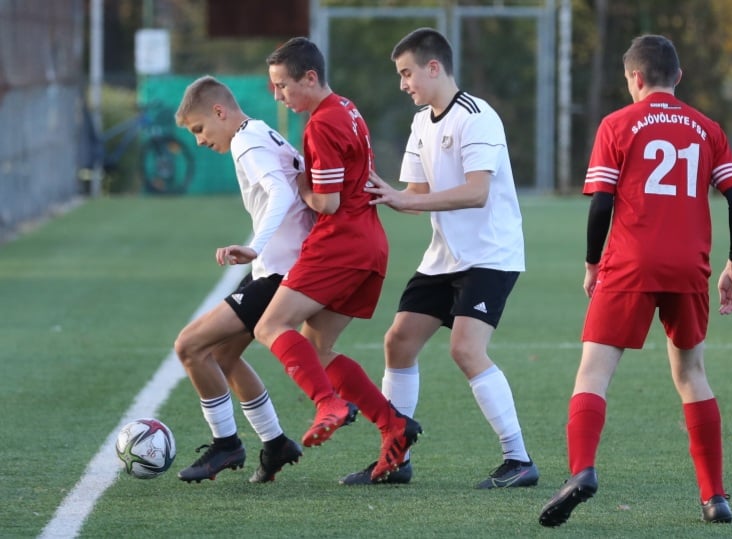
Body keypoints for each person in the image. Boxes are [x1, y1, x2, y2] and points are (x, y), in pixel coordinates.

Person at [538, 34, 732, 527]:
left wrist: (592, 263)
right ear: (678, 77)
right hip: (689, 267)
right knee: (691, 375)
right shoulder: (707, 128)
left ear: (635, 78)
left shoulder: (617, 124)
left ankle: (581, 471)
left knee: (594, 372)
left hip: (631, 264)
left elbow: (601, 203)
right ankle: (714, 497)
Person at [340, 27, 538, 489]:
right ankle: (396, 457)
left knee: (465, 349)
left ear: (434, 67)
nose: (403, 83)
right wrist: (376, 191)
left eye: (407, 73)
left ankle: (519, 459)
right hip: (444, 256)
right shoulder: (421, 123)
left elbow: (476, 191)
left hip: (490, 254)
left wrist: (406, 199)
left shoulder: (477, 117)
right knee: (398, 342)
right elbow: (415, 194)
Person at [253, 36, 422, 483]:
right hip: (371, 244)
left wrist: (300, 187)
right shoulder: (347, 107)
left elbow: (326, 203)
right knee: (317, 349)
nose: (279, 96)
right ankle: (394, 425)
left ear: (309, 78)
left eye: (282, 86)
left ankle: (328, 402)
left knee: (269, 326)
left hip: (340, 243)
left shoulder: (321, 124)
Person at [172, 75, 315, 483]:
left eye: (199, 128)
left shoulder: (246, 142)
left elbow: (281, 193)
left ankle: (226, 444)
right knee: (222, 354)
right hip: (279, 267)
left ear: (220, 112)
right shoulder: (262, 132)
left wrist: (256, 245)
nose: (199, 140)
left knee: (189, 346)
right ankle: (276, 444)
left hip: (281, 271)